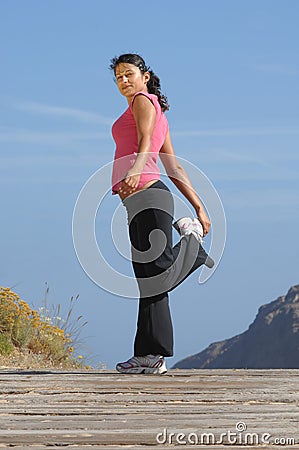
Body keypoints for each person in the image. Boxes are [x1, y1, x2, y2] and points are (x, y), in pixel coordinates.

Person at [110, 53, 214, 374]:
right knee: (150, 282)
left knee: (154, 276)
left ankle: (192, 246)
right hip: (141, 200)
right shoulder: (160, 112)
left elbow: (144, 144)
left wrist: (136, 169)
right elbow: (173, 165)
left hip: (148, 196)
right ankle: (149, 356)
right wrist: (198, 205)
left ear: (145, 75)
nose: (124, 81)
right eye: (118, 78)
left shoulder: (143, 100)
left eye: (129, 74)